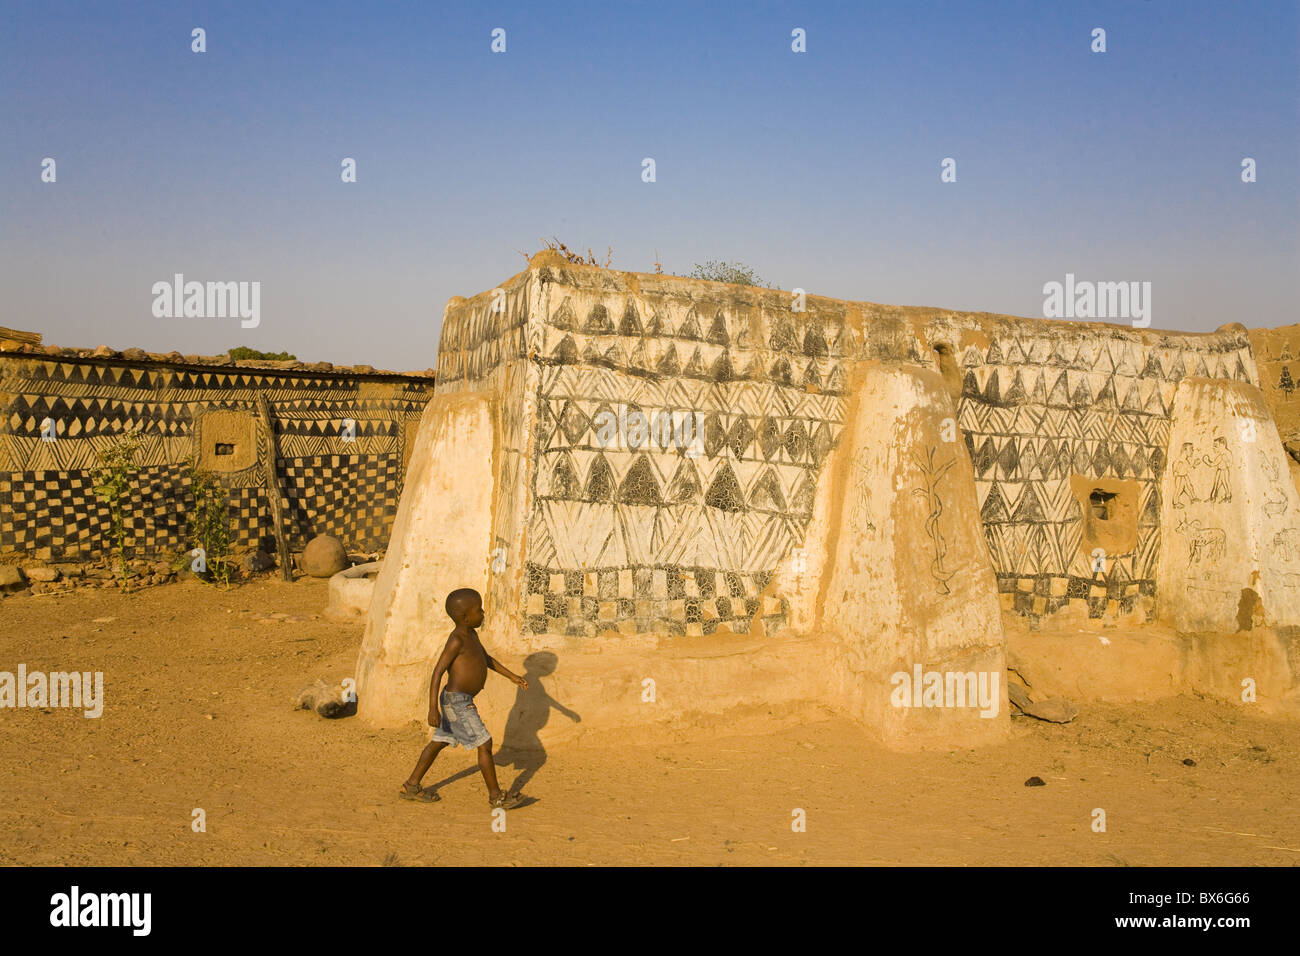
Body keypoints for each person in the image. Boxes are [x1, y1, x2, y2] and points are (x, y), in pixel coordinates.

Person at [399, 588, 527, 808]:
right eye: (479, 610)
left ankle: (411, 785)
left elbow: (485, 659)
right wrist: (432, 709)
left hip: (457, 700)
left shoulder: (472, 635)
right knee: (484, 743)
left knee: (440, 741)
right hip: (457, 702)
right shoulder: (456, 640)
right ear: (465, 617)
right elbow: (438, 672)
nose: (483, 612)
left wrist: (512, 676)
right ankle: (496, 796)